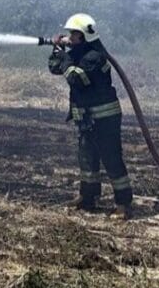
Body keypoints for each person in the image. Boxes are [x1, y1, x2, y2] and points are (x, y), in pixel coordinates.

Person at [48, 13, 133, 219]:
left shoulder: (94, 57)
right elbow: (54, 68)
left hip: (104, 118)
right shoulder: (78, 54)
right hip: (87, 118)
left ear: (83, 36)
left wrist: (65, 56)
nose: (70, 38)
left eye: (73, 35)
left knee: (111, 159)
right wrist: (57, 50)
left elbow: (77, 79)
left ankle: (123, 204)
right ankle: (87, 198)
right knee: (87, 158)